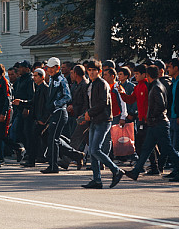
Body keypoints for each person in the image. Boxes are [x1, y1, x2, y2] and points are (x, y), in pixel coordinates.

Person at [81, 60, 125, 189]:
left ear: (99, 71)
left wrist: (89, 112)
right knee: (92, 153)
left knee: (95, 149)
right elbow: (89, 103)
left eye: (94, 70)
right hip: (94, 120)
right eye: (89, 70)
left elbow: (103, 103)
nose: (91, 72)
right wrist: (85, 115)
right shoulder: (91, 84)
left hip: (103, 120)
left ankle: (116, 170)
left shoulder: (102, 84)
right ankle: (97, 180)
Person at [40, 57, 72, 174]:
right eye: (48, 68)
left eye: (52, 68)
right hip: (53, 113)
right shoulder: (52, 79)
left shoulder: (61, 80)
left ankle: (53, 166)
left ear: (58, 68)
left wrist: (55, 103)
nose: (50, 70)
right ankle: (74, 155)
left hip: (60, 112)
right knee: (51, 138)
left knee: (53, 139)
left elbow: (68, 96)